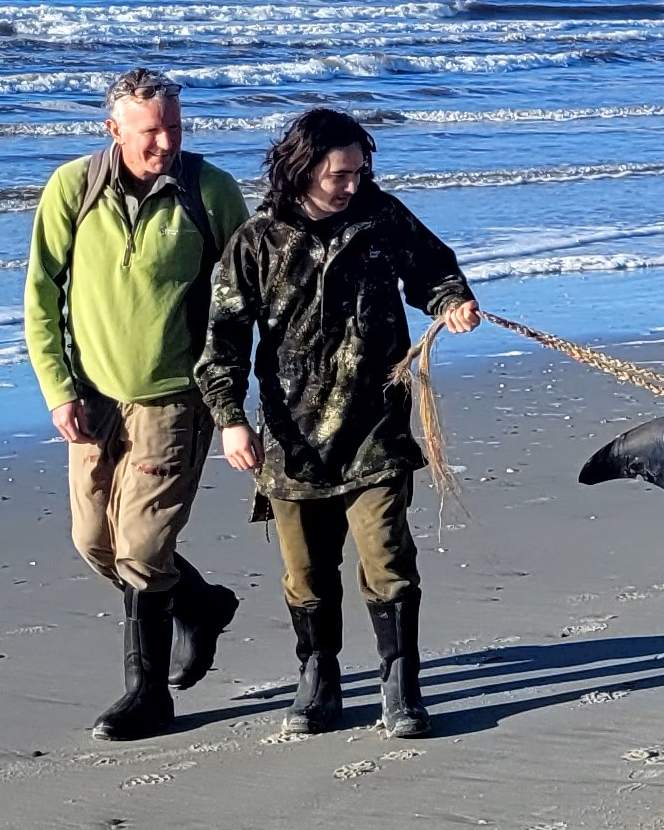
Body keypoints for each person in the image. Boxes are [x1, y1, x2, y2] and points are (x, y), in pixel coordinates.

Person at [200, 107, 480, 740]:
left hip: (376, 427)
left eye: (360, 170)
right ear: (302, 168)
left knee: (387, 559)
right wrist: (230, 421)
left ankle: (400, 684)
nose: (353, 183)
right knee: (305, 572)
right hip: (291, 439)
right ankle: (318, 676)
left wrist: (453, 301)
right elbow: (221, 344)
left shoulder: (383, 220)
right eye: (340, 174)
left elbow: (433, 270)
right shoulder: (256, 241)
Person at [24, 68, 252, 742]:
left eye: (175, 127)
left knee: (144, 549)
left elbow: (245, 297)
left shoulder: (210, 192)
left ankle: (147, 696)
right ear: (114, 128)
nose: (165, 142)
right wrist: (58, 389)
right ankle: (203, 605)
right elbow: (41, 296)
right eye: (150, 130)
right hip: (93, 400)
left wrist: (234, 401)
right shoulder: (73, 187)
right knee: (94, 543)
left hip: (175, 399)